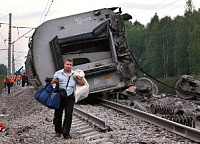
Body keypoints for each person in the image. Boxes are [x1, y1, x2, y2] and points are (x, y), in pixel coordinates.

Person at [51, 59, 85, 140]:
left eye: (70, 65)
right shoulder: (58, 73)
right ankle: (58, 130)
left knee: (68, 115)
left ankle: (66, 133)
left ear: (72, 66)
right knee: (58, 115)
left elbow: (82, 83)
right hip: (59, 96)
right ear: (64, 64)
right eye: (67, 64)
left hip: (70, 97)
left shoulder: (75, 74)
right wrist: (54, 82)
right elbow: (52, 84)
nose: (68, 66)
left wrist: (78, 79)